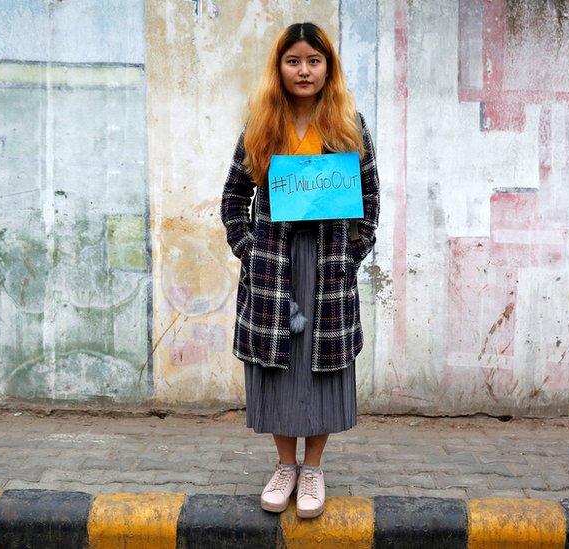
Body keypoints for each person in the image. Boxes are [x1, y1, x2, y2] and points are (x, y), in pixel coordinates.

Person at [220, 21, 380, 519]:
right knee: (277, 365)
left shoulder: (347, 126)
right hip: (273, 269)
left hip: (328, 266)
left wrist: (353, 255)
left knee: (324, 365)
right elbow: (233, 199)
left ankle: (313, 469)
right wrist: (250, 248)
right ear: (280, 68)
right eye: (294, 61)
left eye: (314, 60)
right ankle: (284, 465)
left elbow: (370, 201)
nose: (304, 70)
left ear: (328, 67)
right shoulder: (262, 127)